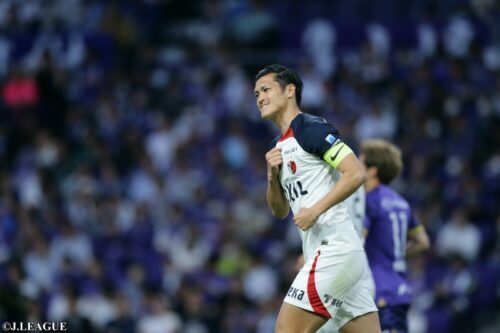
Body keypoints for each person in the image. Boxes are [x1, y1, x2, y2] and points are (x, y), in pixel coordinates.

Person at [254, 64, 380, 333]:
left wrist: (315, 210)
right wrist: (271, 176)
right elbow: (279, 211)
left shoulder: (310, 128)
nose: (260, 98)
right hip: (333, 257)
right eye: (256, 95)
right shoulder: (278, 147)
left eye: (265, 89)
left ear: (290, 91)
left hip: (334, 249)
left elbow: (355, 173)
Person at [360, 139, 430, 333]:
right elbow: (423, 242)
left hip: (378, 291)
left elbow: (358, 241)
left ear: (372, 170)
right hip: (399, 290)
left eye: (360, 162)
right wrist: (395, 252)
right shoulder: (401, 202)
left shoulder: (369, 201)